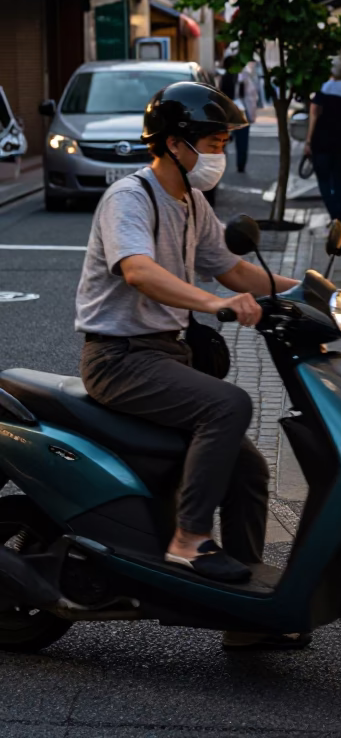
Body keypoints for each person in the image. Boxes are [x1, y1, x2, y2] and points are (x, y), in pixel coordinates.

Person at [75, 82, 300, 602]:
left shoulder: (192, 202)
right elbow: (138, 272)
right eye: (213, 142)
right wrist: (212, 304)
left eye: (223, 142)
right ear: (175, 143)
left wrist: (308, 293)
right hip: (119, 358)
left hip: (165, 354)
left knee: (249, 470)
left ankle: (245, 610)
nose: (220, 152)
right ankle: (189, 538)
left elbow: (233, 268)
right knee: (229, 406)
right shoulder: (129, 199)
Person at [304, 55, 341, 223]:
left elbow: (314, 114)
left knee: (323, 178)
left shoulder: (323, 89)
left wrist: (308, 140)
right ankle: (340, 214)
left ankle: (333, 212)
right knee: (339, 176)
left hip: (321, 141)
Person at [233, 60, 262, 173]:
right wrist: (251, 116)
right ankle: (241, 164)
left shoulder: (227, 76)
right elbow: (250, 98)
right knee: (242, 141)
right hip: (241, 112)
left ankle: (237, 164)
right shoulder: (245, 76)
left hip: (229, 112)